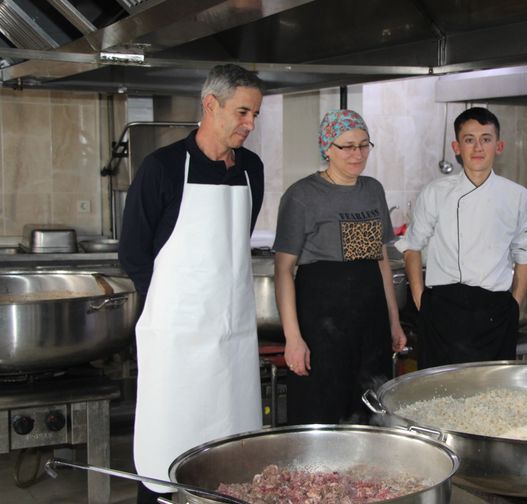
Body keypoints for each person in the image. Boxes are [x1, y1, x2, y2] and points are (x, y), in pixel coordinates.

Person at [118, 64, 265, 503]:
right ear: (210, 105)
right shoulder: (161, 168)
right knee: (168, 455)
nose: (250, 124)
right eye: (242, 112)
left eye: (255, 114)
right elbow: (133, 252)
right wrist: (171, 305)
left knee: (232, 457)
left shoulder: (250, 169)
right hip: (176, 343)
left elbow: (234, 244)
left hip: (231, 338)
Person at [272, 109, 407, 425]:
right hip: (322, 325)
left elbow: (380, 259)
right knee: (322, 412)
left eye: (363, 145)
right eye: (346, 146)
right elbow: (283, 270)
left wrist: (394, 321)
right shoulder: (303, 196)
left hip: (369, 322)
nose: (357, 154)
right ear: (326, 149)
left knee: (371, 409)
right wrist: (293, 338)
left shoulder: (372, 190)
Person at [396, 107, 527, 369]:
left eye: (486, 138)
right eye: (469, 139)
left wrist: (513, 306)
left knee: (492, 396)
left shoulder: (518, 197)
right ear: (457, 147)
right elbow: (412, 247)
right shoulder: (436, 192)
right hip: (443, 309)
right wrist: (421, 300)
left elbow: (524, 254)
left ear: (499, 145)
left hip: (496, 311)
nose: (478, 147)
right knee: (438, 398)